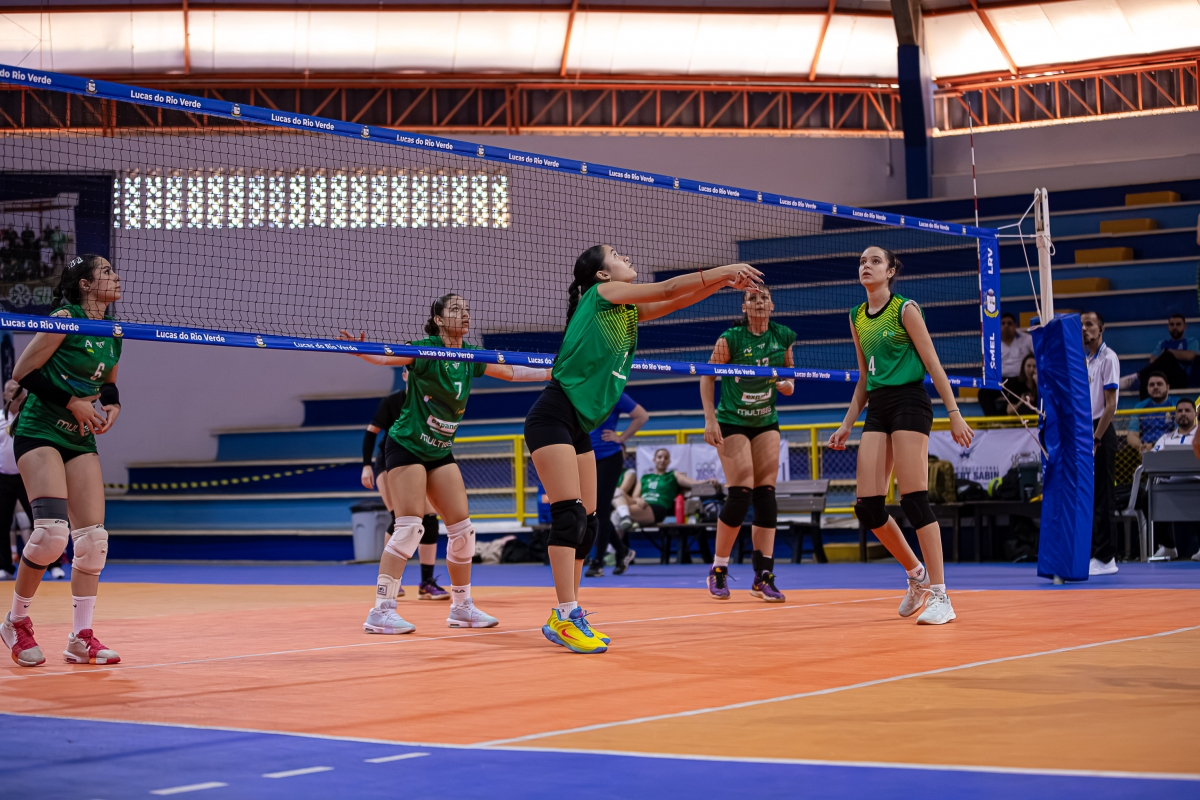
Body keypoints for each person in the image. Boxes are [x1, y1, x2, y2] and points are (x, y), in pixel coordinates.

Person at [524, 245, 760, 654]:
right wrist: (724, 268)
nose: (626, 257)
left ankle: (568, 614)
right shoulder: (602, 294)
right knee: (569, 516)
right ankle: (565, 614)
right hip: (553, 416)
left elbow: (675, 301)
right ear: (602, 275)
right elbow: (667, 288)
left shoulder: (625, 311)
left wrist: (723, 283)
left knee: (589, 522)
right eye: (616, 255)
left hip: (578, 425)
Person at [342, 293, 552, 634]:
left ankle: (462, 607)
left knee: (463, 531)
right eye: (456, 309)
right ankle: (381, 610)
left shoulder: (471, 355)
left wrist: (552, 371)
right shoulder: (425, 350)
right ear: (438, 320)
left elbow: (511, 372)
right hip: (407, 446)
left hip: (439, 450)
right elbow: (386, 357)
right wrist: (361, 350)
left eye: (467, 309)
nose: (464, 314)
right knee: (409, 528)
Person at [828, 247, 973, 625]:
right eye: (862, 261)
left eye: (875, 261)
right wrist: (846, 423)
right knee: (868, 507)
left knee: (913, 499)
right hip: (878, 406)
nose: (866, 265)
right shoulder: (856, 316)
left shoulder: (905, 309)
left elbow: (933, 363)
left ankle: (942, 596)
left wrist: (954, 414)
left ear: (891, 271)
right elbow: (864, 377)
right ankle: (916, 575)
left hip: (910, 401)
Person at [0, 255, 123, 667]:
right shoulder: (65, 318)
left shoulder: (113, 330)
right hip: (40, 431)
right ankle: (16, 622)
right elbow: (23, 372)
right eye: (106, 272)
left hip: (78, 437)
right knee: (52, 535)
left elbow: (107, 381)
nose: (115, 277)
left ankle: (80, 638)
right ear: (85, 285)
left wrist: (113, 404)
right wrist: (72, 401)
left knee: (93, 542)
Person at [700, 285, 795, 602]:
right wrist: (710, 419)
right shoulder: (731, 339)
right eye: (752, 298)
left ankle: (763, 576)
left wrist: (787, 384)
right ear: (744, 307)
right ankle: (718, 569)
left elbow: (789, 373)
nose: (759, 301)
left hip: (766, 419)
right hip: (732, 420)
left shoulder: (783, 336)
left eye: (764, 297)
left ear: (772, 305)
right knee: (740, 493)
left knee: (766, 495)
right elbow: (707, 376)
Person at [361, 385, 448, 600]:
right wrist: (366, 465)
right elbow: (371, 432)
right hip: (390, 460)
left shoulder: (430, 399)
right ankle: (392, 579)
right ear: (405, 375)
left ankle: (427, 583)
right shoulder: (392, 402)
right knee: (400, 518)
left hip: (420, 459)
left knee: (429, 517)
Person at [585, 393, 647, 578]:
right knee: (592, 511)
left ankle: (598, 563)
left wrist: (622, 437)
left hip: (608, 457)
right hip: (585, 458)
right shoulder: (578, 392)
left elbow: (642, 416)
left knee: (601, 511)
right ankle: (622, 551)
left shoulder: (612, 393)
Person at [1083, 311, 1120, 576]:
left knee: (1104, 496)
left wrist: (1096, 438)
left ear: (1101, 328)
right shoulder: (1086, 361)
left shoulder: (1109, 358)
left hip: (1101, 432)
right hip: (1087, 430)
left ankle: (1107, 558)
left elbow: (1111, 406)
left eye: (1090, 324)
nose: (1085, 329)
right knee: (1092, 496)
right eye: (1082, 325)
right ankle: (1095, 552)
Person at [1147, 398, 1198, 561]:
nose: (1183, 414)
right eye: (1179, 411)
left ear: (1195, 414)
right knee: (1146, 497)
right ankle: (1168, 546)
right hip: (1169, 486)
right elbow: (1153, 460)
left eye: (1187, 410)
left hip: (1196, 483)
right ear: (1175, 415)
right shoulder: (1165, 438)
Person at [619, 448, 708, 527]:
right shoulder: (644, 477)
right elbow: (634, 496)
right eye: (659, 457)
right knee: (617, 492)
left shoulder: (672, 475)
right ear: (654, 459)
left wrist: (707, 481)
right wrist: (638, 499)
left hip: (657, 506)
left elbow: (693, 484)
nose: (662, 460)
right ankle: (625, 517)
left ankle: (625, 517)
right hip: (642, 504)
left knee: (616, 515)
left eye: (666, 458)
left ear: (669, 461)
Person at [0, 380, 33, 581]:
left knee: (39, 520)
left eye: (19, 390)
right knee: (2, 523)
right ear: (5, 395)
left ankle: (53, 565)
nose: (15, 392)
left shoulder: (31, 416)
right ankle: (5, 566)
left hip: (26, 476)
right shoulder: (0, 418)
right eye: (10, 390)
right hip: (4, 477)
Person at [979, 312, 1034, 416]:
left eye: (1009, 323)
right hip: (1001, 381)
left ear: (1015, 325)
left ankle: (1003, 417)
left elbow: (1038, 356)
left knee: (1016, 395)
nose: (1006, 326)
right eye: (1003, 323)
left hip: (1020, 380)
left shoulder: (1027, 339)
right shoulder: (992, 342)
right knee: (983, 393)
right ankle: (993, 421)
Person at [1127, 372, 1175, 452]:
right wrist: (1141, 446)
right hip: (1146, 449)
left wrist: (1155, 446)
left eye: (1159, 384)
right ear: (1147, 388)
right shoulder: (1140, 406)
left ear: (1167, 387)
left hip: (1170, 449)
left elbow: (1180, 432)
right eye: (1152, 385)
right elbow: (1131, 435)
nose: (1155, 387)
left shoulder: (1177, 405)